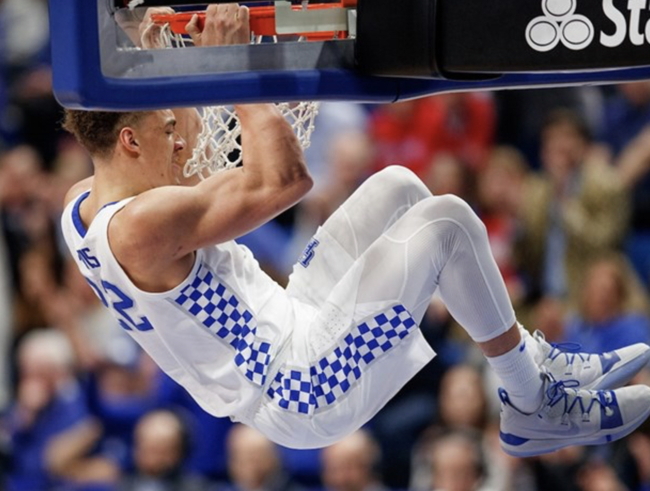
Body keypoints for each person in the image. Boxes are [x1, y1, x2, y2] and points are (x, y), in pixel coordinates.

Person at [59, 4, 650, 458]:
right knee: (446, 221)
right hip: (299, 385)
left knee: (398, 186)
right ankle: (532, 401)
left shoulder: (81, 204)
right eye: (168, 130)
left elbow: (188, 164)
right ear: (130, 141)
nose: (180, 141)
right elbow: (286, 180)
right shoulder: (141, 226)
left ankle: (529, 359)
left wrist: (147, 45)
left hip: (289, 319)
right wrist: (229, 67)